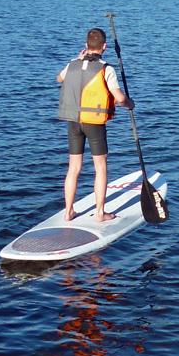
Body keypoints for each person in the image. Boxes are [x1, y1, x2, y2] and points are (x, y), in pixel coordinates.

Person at [56, 27, 134, 222]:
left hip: (73, 121)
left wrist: (78, 60)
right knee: (100, 167)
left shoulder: (73, 63)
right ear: (104, 47)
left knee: (73, 167)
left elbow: (59, 78)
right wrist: (129, 104)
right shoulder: (106, 69)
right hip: (94, 123)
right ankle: (100, 213)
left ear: (86, 46)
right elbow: (119, 98)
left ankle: (68, 212)